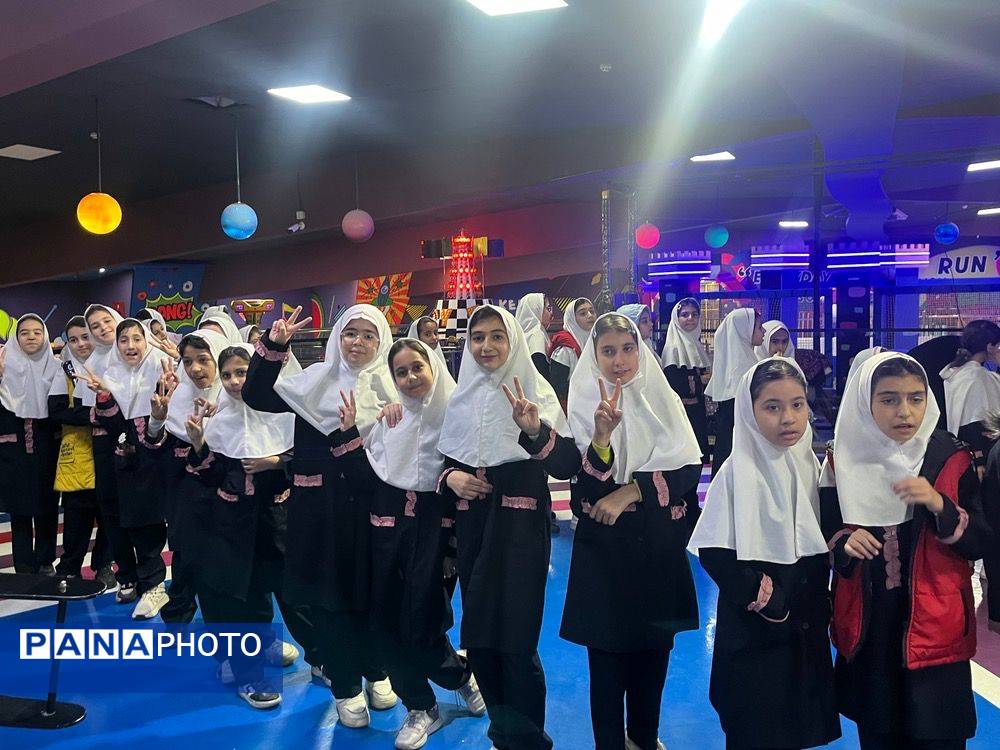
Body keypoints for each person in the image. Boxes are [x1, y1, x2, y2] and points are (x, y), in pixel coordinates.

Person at [820, 352, 989, 750]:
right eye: (889, 399)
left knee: (939, 734)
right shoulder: (842, 459)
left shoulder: (951, 457)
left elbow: (981, 539)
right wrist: (843, 542)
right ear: (865, 402)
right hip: (870, 626)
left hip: (936, 629)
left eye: (916, 398)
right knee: (879, 732)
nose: (905, 412)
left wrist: (939, 504)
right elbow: (823, 531)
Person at [243, 304, 398, 727]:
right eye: (350, 333)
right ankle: (345, 686)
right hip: (319, 512)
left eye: (369, 334)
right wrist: (275, 345)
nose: (358, 342)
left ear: (382, 340)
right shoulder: (313, 383)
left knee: (370, 593)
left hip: (371, 510)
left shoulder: (393, 386)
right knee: (327, 600)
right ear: (337, 338)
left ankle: (376, 671)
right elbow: (256, 395)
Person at [437, 304, 580, 750]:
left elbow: (568, 464)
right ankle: (502, 735)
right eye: (478, 337)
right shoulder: (460, 398)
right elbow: (445, 463)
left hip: (519, 533)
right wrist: (451, 477)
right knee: (480, 641)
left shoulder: (535, 390)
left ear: (513, 340)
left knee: (516, 643)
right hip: (473, 530)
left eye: (497, 336)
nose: (486, 346)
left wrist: (534, 431)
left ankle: (530, 741)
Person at [335, 338, 485, 749]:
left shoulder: (458, 418)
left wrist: (452, 546)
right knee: (385, 628)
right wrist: (350, 431)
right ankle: (420, 707)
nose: (410, 377)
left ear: (433, 366)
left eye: (417, 367)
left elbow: (465, 487)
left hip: (434, 542)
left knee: (423, 624)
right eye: (400, 372)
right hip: (385, 538)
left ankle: (460, 677)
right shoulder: (389, 419)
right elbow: (366, 480)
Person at [563, 312, 702, 750]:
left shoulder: (663, 398)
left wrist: (631, 491)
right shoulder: (584, 403)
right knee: (605, 662)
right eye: (608, 351)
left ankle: (642, 737)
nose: (619, 360)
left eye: (627, 349)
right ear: (594, 356)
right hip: (604, 554)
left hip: (656, 550)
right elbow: (584, 490)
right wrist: (602, 438)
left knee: (653, 654)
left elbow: (688, 468)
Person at [690, 357, 841, 750]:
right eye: (772, 407)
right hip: (754, 630)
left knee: (796, 724)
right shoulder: (736, 472)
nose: (788, 418)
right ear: (749, 410)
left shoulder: (807, 463)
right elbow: (715, 553)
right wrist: (767, 598)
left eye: (797, 404)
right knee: (755, 727)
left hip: (803, 627)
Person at [184, 344, 319, 710]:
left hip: (278, 522)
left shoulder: (284, 413)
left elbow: (306, 463)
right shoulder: (215, 418)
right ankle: (249, 675)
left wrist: (274, 462)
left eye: (242, 372)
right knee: (243, 602)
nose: (234, 381)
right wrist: (199, 443)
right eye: (227, 374)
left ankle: (323, 660)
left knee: (296, 596)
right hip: (233, 528)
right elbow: (210, 476)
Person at [79, 318, 174, 619]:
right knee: (114, 514)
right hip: (115, 451)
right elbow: (108, 421)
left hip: (152, 451)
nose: (130, 345)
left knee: (146, 517)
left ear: (146, 341)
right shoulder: (110, 374)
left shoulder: (161, 368)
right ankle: (128, 577)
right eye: (124, 340)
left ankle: (154, 584)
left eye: (137, 338)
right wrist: (104, 396)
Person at [147, 330, 230, 624]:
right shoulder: (177, 397)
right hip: (187, 496)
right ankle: (178, 617)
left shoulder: (233, 396)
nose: (195, 368)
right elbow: (155, 448)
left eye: (203, 359)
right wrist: (157, 420)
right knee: (185, 558)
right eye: (188, 361)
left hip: (226, 496)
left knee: (226, 567)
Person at [47, 316, 115, 585]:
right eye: (73, 340)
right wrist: (93, 415)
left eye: (86, 336)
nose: (81, 344)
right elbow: (56, 411)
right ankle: (70, 566)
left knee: (108, 514)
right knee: (76, 514)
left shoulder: (115, 365)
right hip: (78, 452)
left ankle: (104, 565)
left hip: (110, 450)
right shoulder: (65, 370)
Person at [0, 314, 61, 574]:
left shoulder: (56, 367)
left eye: (37, 332)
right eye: (24, 332)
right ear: (16, 337)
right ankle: (23, 567)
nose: (31, 337)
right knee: (19, 509)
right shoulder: (4, 366)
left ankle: (45, 561)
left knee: (48, 506)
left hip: (48, 448)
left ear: (45, 336)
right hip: (12, 452)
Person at [705, 308, 764, 476]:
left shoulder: (738, 367)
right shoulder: (744, 371)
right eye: (759, 327)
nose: (764, 331)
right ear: (744, 331)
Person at [660, 297, 712, 476]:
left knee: (697, 460)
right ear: (676, 318)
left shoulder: (695, 344)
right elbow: (674, 382)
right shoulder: (673, 347)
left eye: (694, 314)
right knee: (685, 462)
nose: (690, 318)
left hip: (697, 410)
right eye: (685, 315)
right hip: (681, 413)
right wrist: (699, 380)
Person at [939, 320, 1000, 469]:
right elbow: (973, 421)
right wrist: (979, 460)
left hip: (959, 449)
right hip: (981, 455)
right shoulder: (977, 376)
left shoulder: (954, 372)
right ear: (990, 347)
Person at [548, 297, 596, 408]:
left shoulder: (596, 340)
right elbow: (558, 387)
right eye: (583, 313)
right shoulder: (565, 348)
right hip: (570, 407)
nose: (590, 315)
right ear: (572, 319)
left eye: (592, 311)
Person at [515, 293, 554, 382]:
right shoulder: (536, 335)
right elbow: (541, 371)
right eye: (548, 309)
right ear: (537, 310)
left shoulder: (519, 335)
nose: (551, 313)